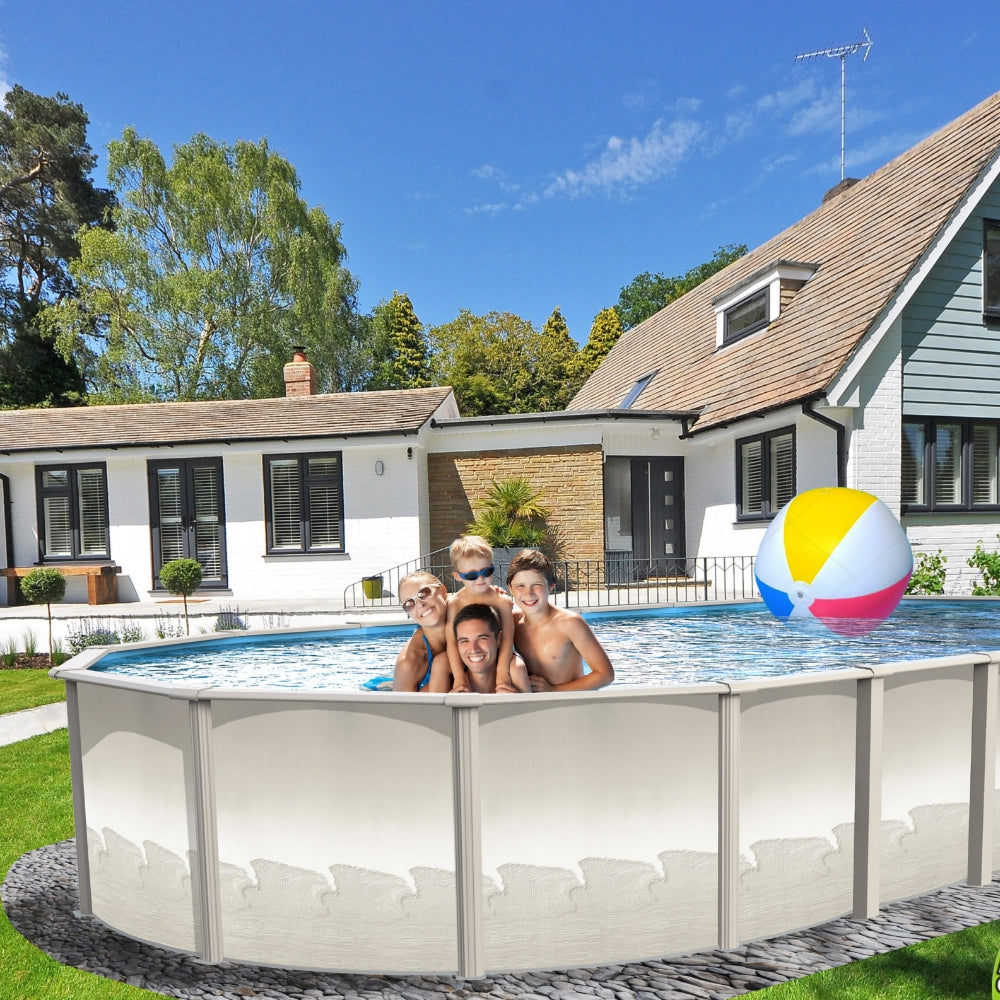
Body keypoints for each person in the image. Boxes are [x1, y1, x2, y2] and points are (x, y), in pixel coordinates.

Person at [507, 549, 615, 692]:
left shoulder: (570, 624)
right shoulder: (513, 622)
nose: (529, 593)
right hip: (536, 706)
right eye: (520, 586)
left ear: (551, 586)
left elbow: (606, 675)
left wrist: (554, 690)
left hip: (568, 704)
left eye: (537, 585)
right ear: (510, 588)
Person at [445, 535, 520, 693]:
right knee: (439, 664)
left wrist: (502, 672)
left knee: (517, 667)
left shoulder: (501, 600)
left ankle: (527, 708)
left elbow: (507, 639)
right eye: (472, 575)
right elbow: (451, 641)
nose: (481, 579)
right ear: (458, 576)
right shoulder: (455, 602)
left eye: (487, 571)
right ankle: (439, 710)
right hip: (470, 656)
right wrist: (459, 678)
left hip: (498, 655)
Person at [392, 571, 452, 692]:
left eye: (424, 593)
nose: (420, 605)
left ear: (443, 591)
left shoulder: (467, 618)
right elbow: (401, 709)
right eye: (410, 604)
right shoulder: (409, 663)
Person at [452, 603, 531, 694]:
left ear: (498, 639)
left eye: (482, 638)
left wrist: (514, 705)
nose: (473, 649)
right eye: (464, 641)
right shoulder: (449, 680)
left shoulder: (515, 670)